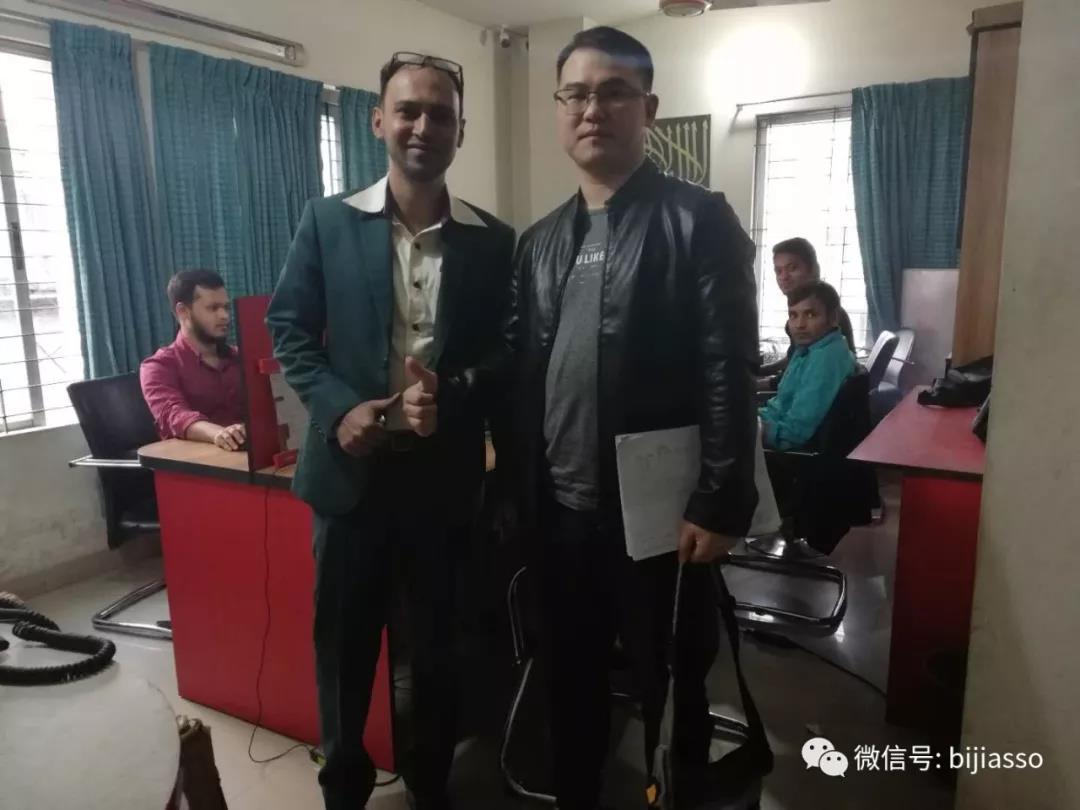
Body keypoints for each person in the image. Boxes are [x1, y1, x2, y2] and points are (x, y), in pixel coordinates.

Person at [504, 27, 759, 810]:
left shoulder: (697, 219)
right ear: (558, 109)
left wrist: (722, 497)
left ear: (648, 109)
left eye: (614, 92)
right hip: (561, 514)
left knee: (671, 687)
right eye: (576, 94)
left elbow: (727, 365)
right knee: (568, 681)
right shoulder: (540, 242)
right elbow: (519, 367)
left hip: (661, 520)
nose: (594, 109)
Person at [266, 51, 515, 810]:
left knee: (437, 652)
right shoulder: (327, 222)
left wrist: (456, 396)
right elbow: (289, 329)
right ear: (378, 121)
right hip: (350, 481)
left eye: (441, 114)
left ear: (461, 131)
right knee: (343, 652)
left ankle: (430, 788)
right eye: (408, 109)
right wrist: (341, 409)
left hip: (443, 484)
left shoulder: (493, 241)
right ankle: (344, 791)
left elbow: (507, 352)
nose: (422, 125)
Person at [140, 269, 246, 450]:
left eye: (226, 307)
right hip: (195, 462)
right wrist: (220, 434)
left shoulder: (240, 357)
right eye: (213, 308)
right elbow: (174, 415)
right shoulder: (158, 366)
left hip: (248, 455)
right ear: (183, 311)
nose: (224, 316)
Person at [759, 280, 857, 450]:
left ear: (833, 318)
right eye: (793, 315)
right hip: (768, 420)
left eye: (810, 315)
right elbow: (783, 404)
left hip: (783, 452)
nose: (799, 325)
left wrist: (748, 428)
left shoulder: (827, 359)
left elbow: (792, 434)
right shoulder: (810, 348)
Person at [757, 237, 855, 390]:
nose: (783, 277)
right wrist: (762, 370)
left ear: (813, 269)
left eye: (792, 268)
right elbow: (796, 358)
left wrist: (754, 385)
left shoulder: (826, 315)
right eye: (778, 271)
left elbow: (806, 376)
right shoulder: (804, 309)